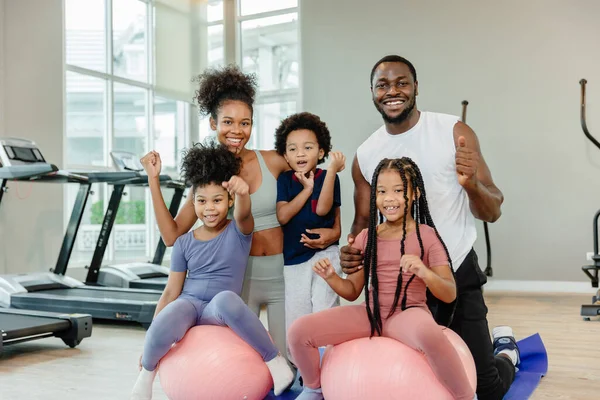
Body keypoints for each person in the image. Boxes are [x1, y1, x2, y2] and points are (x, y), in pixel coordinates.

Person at [340, 55, 519, 400]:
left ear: (416, 87)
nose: (392, 91)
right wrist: (351, 252)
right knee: (417, 379)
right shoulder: (366, 153)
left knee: (485, 389)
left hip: (454, 271)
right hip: (400, 285)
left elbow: (493, 210)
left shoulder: (454, 132)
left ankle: (506, 352)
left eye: (401, 82)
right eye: (383, 85)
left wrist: (470, 185)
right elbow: (363, 222)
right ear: (373, 92)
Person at [139, 65, 341, 363]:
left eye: (245, 123)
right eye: (228, 122)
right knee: (244, 361)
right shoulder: (208, 175)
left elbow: (319, 178)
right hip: (239, 279)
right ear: (212, 123)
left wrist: (335, 231)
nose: (237, 131)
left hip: (282, 271)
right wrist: (152, 180)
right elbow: (171, 235)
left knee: (290, 356)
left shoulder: (273, 160)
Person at [288, 157, 475, 400]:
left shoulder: (427, 236)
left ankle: (467, 397)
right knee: (299, 331)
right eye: (382, 191)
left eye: (399, 190)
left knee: (431, 335)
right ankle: (314, 388)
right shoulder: (368, 237)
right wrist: (332, 277)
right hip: (371, 315)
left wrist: (424, 271)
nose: (389, 198)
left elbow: (449, 293)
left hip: (408, 314)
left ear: (415, 193)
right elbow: (352, 290)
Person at [131, 141, 294, 400]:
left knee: (226, 299)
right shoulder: (184, 243)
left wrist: (243, 193)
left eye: (217, 200)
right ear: (193, 202)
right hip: (190, 305)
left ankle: (275, 362)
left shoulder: (239, 231)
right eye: (202, 201)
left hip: (218, 310)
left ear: (228, 200)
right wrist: (152, 338)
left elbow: (243, 214)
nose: (209, 208)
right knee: (174, 308)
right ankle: (146, 374)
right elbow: (171, 291)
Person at [274, 112, 346, 359]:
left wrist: (332, 171)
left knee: (324, 309)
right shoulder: (284, 180)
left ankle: (329, 363)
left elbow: (323, 209)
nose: (300, 154)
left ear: (321, 151)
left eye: (308, 147)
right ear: (285, 155)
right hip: (293, 260)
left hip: (325, 254)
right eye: (292, 149)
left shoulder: (329, 177)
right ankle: (303, 369)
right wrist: (306, 189)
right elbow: (283, 216)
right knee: (298, 316)